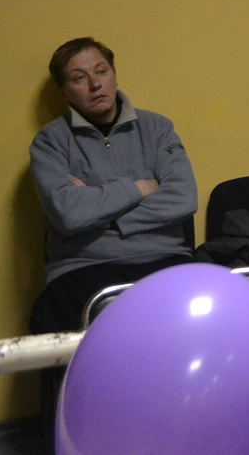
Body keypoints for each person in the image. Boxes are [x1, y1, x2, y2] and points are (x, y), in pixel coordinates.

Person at [29, 37, 198, 335]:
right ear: (64, 92)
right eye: (80, 78)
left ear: (114, 75)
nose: (95, 84)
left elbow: (183, 198)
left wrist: (100, 212)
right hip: (83, 268)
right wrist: (139, 188)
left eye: (101, 71)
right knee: (58, 325)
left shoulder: (157, 128)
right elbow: (69, 214)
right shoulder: (50, 141)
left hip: (162, 259)